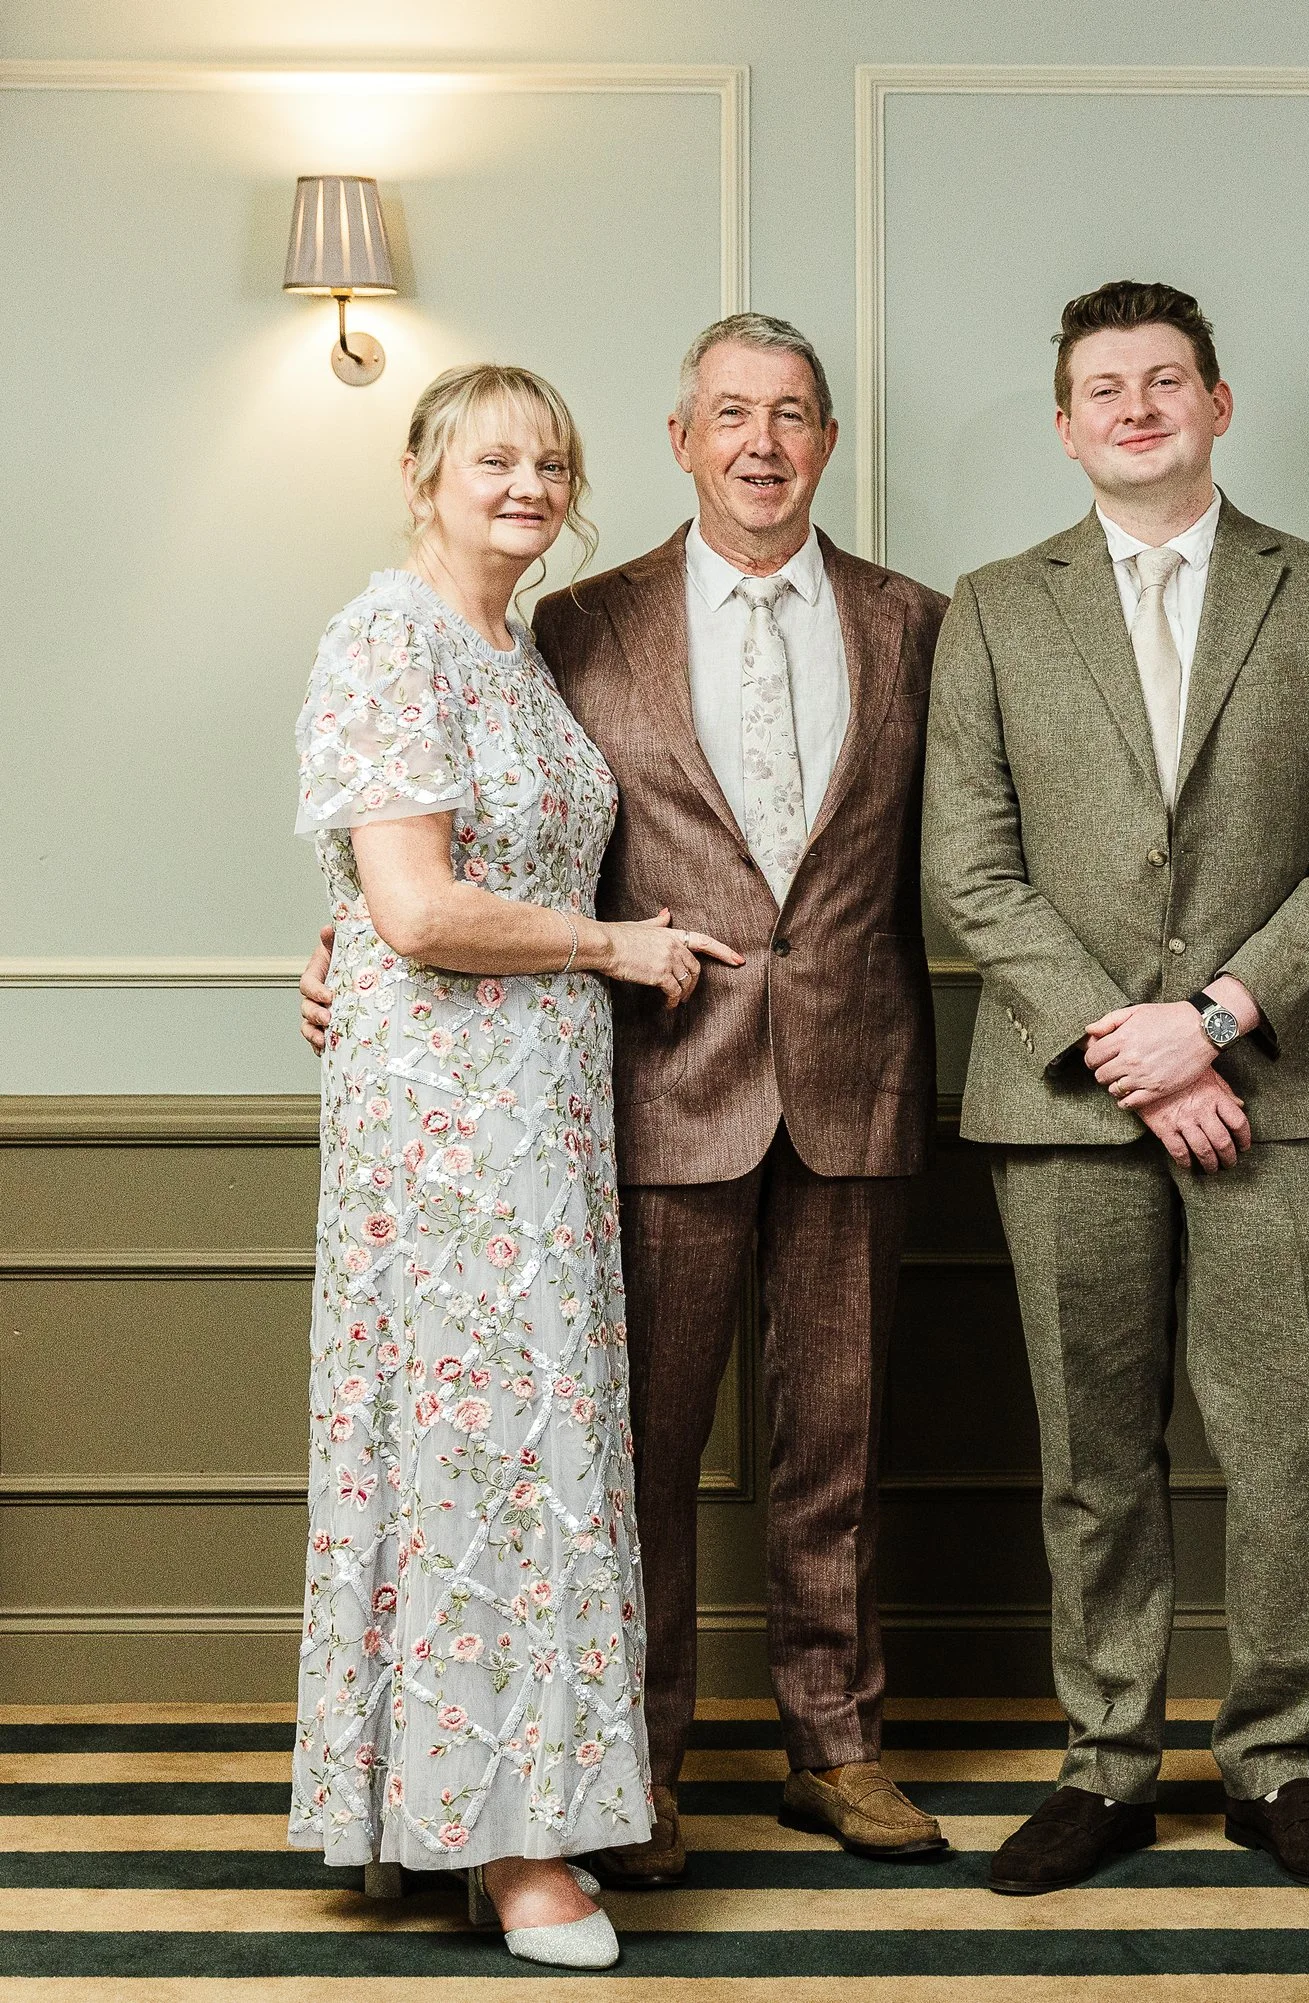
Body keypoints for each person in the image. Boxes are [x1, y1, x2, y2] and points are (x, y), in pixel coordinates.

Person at [300, 313, 950, 1884]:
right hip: (650, 1080)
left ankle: (837, 1745)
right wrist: (345, 939)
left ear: (828, 440)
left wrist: (375, 924)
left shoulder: (917, 623)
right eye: (730, 412)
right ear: (680, 441)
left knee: (838, 1438)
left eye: (791, 415)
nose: (761, 442)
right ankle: (634, 1769)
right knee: (627, 1451)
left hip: (851, 1072)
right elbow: (428, 855)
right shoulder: (580, 623)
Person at [922, 279, 1309, 1896]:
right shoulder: (994, 609)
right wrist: (1125, 1044)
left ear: (1218, 404)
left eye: (1166, 380)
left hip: (1288, 1090)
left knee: (1294, 1444)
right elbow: (970, 869)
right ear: (1066, 427)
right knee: (1092, 1453)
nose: (1137, 408)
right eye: (1105, 389)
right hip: (1064, 1102)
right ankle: (1106, 1764)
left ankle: (1279, 1765)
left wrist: (1214, 1016)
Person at [290, 362, 740, 1970]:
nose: (530, 484)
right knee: (475, 1450)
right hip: (446, 1118)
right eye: (494, 459)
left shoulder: (521, 649)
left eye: (551, 460)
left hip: (542, 1104)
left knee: (541, 1447)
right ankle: (506, 1843)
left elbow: (402, 886)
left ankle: (494, 1796)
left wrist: (342, 935)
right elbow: (416, 907)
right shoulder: (387, 639)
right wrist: (610, 944)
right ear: (423, 470)